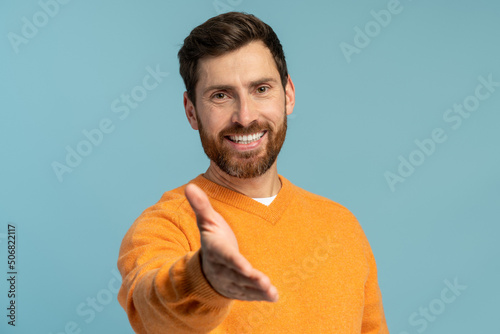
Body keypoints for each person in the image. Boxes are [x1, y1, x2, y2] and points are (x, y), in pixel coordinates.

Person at [117, 11, 389, 334]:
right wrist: (204, 279)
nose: (245, 117)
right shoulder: (167, 225)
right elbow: (152, 310)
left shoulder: (342, 226)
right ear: (191, 112)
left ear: (287, 94)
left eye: (261, 89)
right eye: (221, 95)